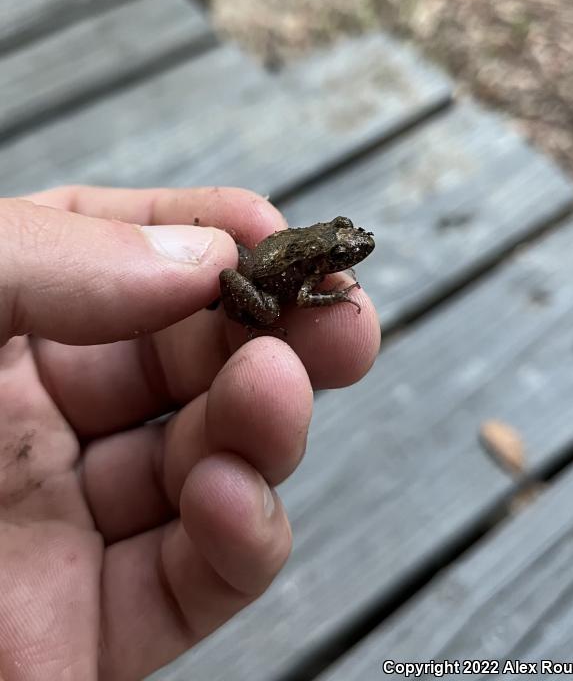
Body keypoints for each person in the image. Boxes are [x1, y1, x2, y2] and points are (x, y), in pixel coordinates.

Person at [0, 185, 380, 681]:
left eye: (348, 249)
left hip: (254, 262)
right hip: (259, 280)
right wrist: (338, 294)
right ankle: (246, 313)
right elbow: (303, 296)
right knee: (270, 322)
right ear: (326, 253)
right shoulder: (310, 270)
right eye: (343, 250)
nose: (354, 251)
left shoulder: (312, 251)